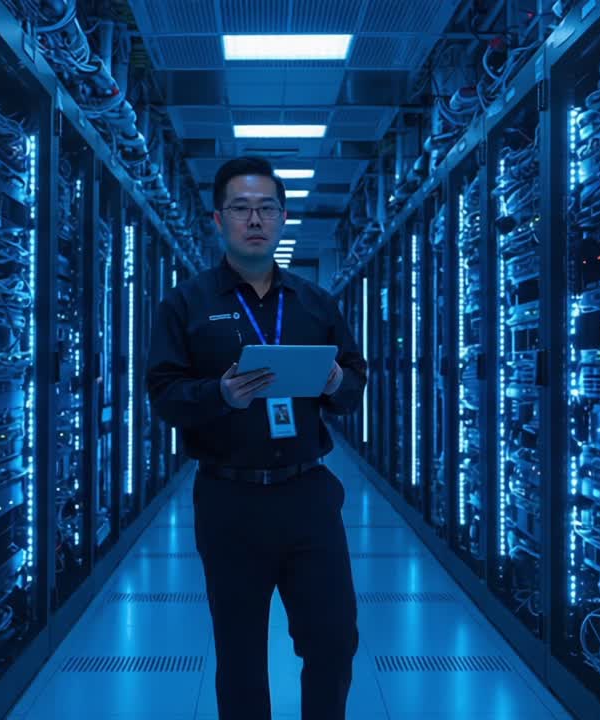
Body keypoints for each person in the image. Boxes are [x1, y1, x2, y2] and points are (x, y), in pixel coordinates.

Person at [145, 155, 368, 720]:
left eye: (267, 208)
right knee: (240, 655)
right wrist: (219, 396)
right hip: (229, 499)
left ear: (283, 218)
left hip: (307, 495)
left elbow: (356, 383)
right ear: (217, 220)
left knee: (334, 640)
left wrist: (340, 381)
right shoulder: (186, 305)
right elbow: (164, 394)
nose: (255, 219)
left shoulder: (315, 304)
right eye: (241, 208)